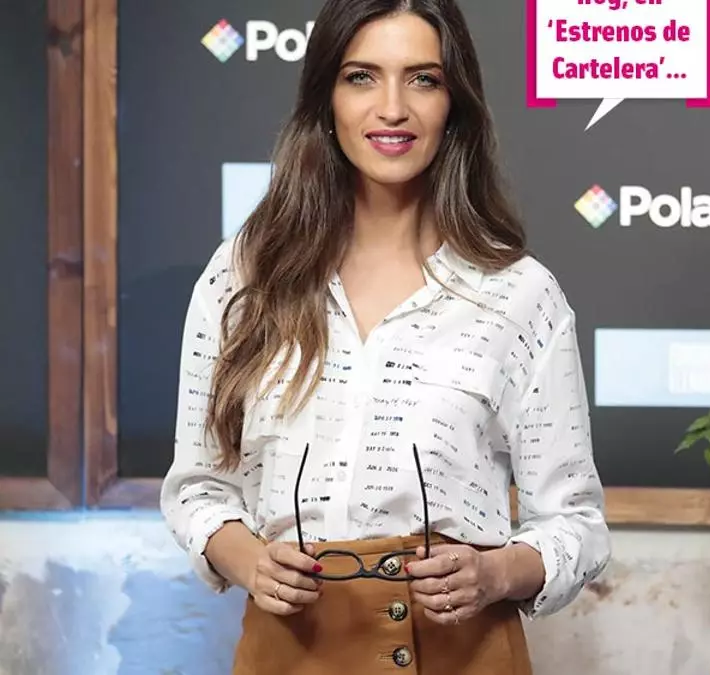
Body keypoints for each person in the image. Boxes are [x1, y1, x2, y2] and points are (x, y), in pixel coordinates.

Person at [159, 0, 611, 672]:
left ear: (454, 104)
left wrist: (495, 573)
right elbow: (198, 488)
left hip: (467, 651)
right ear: (326, 97)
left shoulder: (520, 294)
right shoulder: (244, 276)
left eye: (423, 79)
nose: (393, 108)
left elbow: (577, 523)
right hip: (289, 650)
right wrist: (250, 560)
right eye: (362, 77)